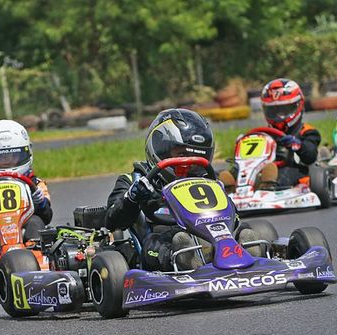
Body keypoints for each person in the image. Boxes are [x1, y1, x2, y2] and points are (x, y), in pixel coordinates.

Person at [105, 108, 258, 272]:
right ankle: (187, 260)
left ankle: (246, 254)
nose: (188, 163)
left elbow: (232, 216)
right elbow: (112, 222)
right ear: (161, 149)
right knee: (165, 242)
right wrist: (132, 198)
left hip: (207, 232)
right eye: (181, 154)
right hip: (163, 239)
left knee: (244, 230)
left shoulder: (207, 180)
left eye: (196, 156)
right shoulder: (134, 180)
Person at [219, 79, 321, 190]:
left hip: (294, 169)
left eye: (284, 110)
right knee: (229, 174)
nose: (278, 116)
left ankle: (268, 187)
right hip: (260, 169)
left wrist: (298, 145)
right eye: (273, 111)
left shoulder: (307, 131)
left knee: (278, 174)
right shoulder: (264, 135)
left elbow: (310, 156)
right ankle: (229, 188)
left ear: (298, 105)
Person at [0, 120, 52, 244]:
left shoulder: (36, 184)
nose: (7, 161)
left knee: (36, 223)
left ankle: (37, 249)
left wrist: (41, 202)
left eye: (13, 156)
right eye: (0, 157)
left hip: (26, 227)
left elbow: (47, 217)